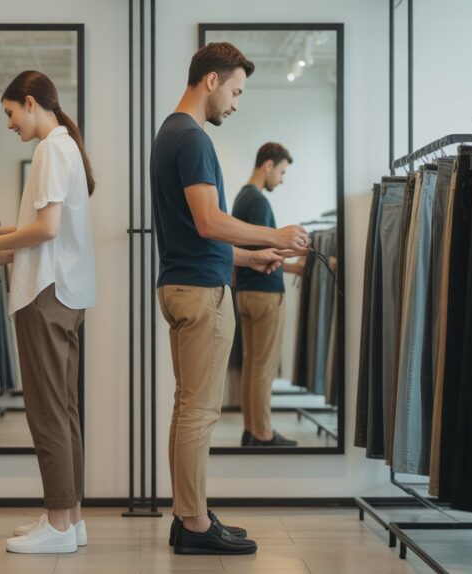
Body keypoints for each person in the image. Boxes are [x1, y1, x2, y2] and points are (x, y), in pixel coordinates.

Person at [151, 43, 310, 555]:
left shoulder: (169, 133)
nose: (236, 104)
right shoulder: (193, 138)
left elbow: (195, 233)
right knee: (199, 412)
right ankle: (195, 525)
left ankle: (188, 516)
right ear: (212, 81)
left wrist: (247, 257)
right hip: (200, 293)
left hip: (181, 283)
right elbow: (208, 221)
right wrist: (274, 237)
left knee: (188, 410)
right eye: (236, 92)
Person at [0, 70, 96, 555]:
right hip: (67, 293)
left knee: (47, 414)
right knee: (64, 411)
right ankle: (70, 518)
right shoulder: (67, 148)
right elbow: (52, 232)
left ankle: (60, 524)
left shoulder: (49, 150)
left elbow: (46, 229)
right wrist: (8, 247)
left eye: (9, 113)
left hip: (45, 296)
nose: (9, 124)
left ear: (29, 102)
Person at [232, 142, 302, 447]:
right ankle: (262, 434)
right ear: (268, 165)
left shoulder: (241, 198)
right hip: (265, 296)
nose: (282, 180)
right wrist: (298, 254)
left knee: (252, 365)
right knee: (264, 367)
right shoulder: (258, 201)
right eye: (282, 172)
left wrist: (293, 267)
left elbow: (254, 253)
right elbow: (267, 253)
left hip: (246, 293)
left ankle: (251, 430)